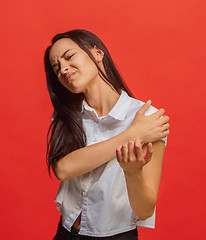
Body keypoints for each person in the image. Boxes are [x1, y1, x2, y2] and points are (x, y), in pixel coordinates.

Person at [44, 29, 170, 240]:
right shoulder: (68, 115)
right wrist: (132, 134)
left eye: (69, 56)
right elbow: (63, 169)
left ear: (97, 53)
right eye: (57, 68)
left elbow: (145, 210)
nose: (63, 69)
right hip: (65, 233)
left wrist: (133, 173)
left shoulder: (147, 118)